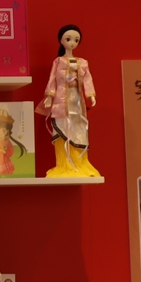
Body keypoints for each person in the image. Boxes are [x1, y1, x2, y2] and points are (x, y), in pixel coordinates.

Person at [41, 24, 98, 177]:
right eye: (68, 39)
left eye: (76, 40)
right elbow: (52, 79)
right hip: (61, 101)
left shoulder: (83, 62)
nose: (72, 43)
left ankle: (79, 162)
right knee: (62, 126)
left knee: (78, 128)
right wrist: (49, 96)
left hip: (77, 102)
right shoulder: (58, 62)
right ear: (61, 40)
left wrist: (91, 94)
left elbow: (87, 79)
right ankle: (65, 164)